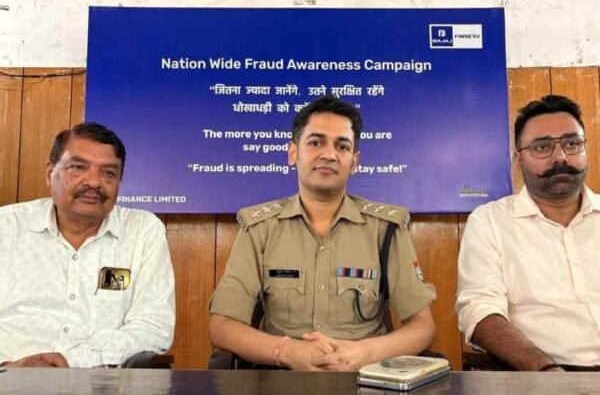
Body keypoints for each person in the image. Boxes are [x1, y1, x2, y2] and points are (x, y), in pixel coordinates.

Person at [209, 96, 436, 371]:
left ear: (354, 161)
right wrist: (287, 351)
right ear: (293, 153)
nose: (329, 154)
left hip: (364, 377)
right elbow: (221, 326)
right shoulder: (260, 228)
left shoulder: (385, 228)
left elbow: (423, 326)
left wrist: (363, 353)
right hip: (279, 377)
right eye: (316, 142)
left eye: (342, 146)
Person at [0, 122, 175, 368]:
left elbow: (154, 326)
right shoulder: (6, 226)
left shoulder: (141, 231)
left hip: (96, 380)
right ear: (50, 173)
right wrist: (10, 367)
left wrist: (73, 361)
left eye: (108, 173)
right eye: (78, 167)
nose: (94, 182)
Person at [456, 94, 600, 371]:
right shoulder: (490, 222)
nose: (560, 157)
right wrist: (545, 371)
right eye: (542, 147)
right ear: (519, 159)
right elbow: (479, 310)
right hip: (541, 375)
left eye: (572, 144)